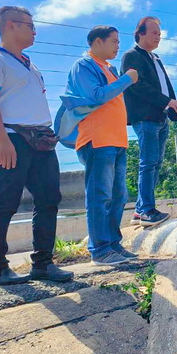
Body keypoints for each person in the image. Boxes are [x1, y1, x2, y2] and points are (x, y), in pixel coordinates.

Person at [0, 6, 73, 286]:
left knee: (49, 199)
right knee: (5, 202)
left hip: (41, 140)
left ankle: (43, 264)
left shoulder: (30, 64)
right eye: (30, 25)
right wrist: (2, 140)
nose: (35, 31)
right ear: (11, 26)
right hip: (10, 138)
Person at [56, 26, 138, 266]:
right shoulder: (84, 66)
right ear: (98, 42)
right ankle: (100, 250)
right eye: (113, 41)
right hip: (97, 140)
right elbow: (97, 96)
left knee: (118, 195)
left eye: (118, 41)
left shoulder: (109, 68)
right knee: (99, 194)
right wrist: (127, 79)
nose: (117, 46)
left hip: (117, 140)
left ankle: (112, 244)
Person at [121, 17, 177, 227]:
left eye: (159, 34)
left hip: (160, 116)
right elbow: (138, 86)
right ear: (140, 33)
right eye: (154, 33)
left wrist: (173, 105)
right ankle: (145, 210)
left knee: (155, 163)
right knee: (148, 163)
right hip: (145, 117)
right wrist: (168, 102)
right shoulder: (132, 56)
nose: (158, 37)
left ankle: (141, 209)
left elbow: (165, 86)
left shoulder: (155, 58)